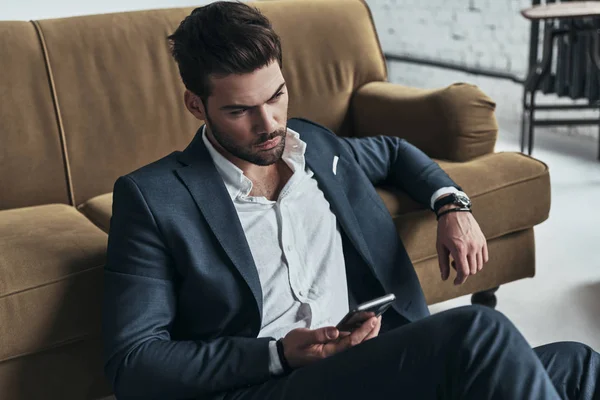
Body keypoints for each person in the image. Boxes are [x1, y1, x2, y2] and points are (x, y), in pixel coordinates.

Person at [102, 2, 599, 399]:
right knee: (477, 331)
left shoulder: (317, 147)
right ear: (196, 105)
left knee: (577, 364)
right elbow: (134, 363)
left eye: (276, 96)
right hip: (264, 384)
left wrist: (452, 205)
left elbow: (395, 153)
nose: (270, 124)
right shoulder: (154, 197)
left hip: (368, 364)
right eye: (240, 111)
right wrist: (279, 354)